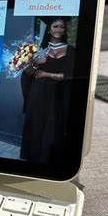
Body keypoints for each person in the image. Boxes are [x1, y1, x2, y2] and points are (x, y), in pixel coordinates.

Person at [20, 18, 75, 163]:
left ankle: (47, 160)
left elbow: (69, 75)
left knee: (53, 126)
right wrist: (36, 64)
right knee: (36, 124)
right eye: (55, 26)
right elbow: (28, 73)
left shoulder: (70, 50)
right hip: (37, 94)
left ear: (64, 30)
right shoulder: (38, 49)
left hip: (57, 95)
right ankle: (32, 158)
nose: (58, 29)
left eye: (62, 27)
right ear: (49, 29)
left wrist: (46, 74)